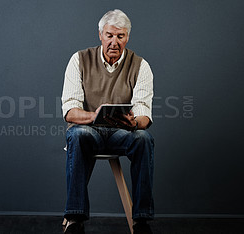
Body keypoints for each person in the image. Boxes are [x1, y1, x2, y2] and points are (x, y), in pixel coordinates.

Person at [61, 9, 154, 234]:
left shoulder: (140, 65)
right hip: (89, 130)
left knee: (143, 138)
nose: (114, 42)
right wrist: (95, 116)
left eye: (120, 36)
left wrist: (134, 123)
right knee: (77, 134)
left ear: (127, 37)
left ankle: (141, 220)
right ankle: (75, 219)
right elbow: (70, 111)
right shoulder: (79, 59)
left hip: (121, 132)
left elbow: (144, 113)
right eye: (110, 35)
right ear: (100, 35)